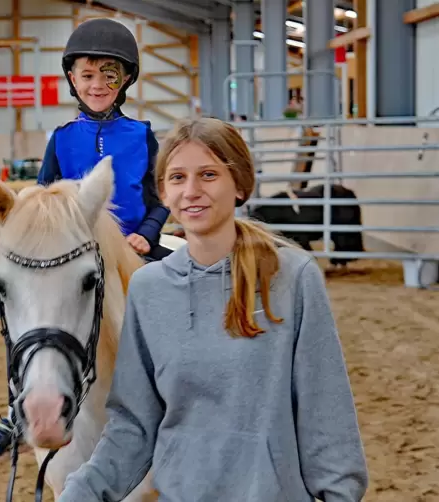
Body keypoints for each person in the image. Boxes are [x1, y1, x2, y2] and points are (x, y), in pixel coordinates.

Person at [55, 116, 369, 501]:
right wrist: (79, 494)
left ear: (239, 185)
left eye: (207, 175)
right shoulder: (149, 288)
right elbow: (133, 426)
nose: (191, 191)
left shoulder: (292, 278)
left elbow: (327, 415)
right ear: (164, 194)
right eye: (177, 178)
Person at [0, 17, 172, 465]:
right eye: (87, 75)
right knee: (38, 319)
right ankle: (15, 410)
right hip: (75, 248)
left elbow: (160, 200)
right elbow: (38, 197)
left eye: (109, 76)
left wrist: (146, 233)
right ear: (72, 80)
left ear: (124, 82)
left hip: (136, 247)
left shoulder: (142, 135)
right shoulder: (61, 138)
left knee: (175, 303)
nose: (98, 84)